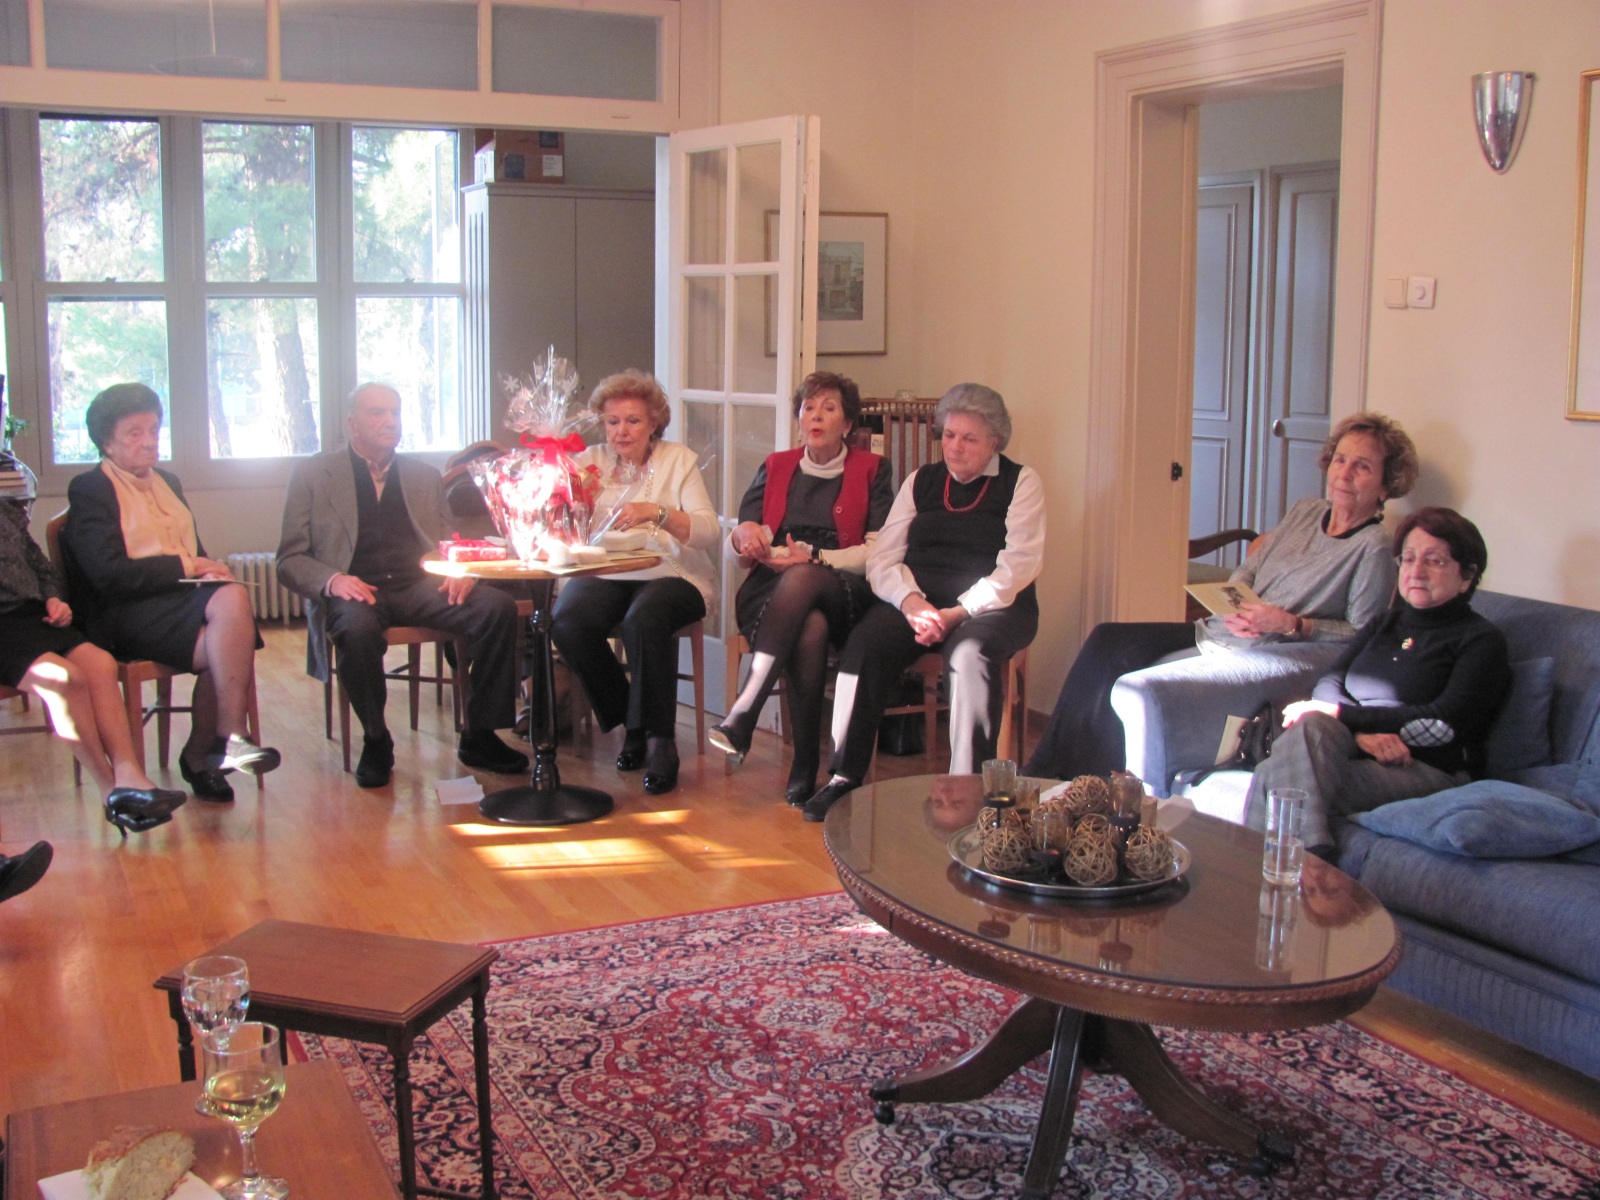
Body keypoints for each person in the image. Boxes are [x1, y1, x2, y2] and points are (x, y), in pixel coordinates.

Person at [1024, 412, 1420, 781]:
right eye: (1340, 460)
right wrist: (1236, 601)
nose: (1344, 474)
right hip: (1221, 629)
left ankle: (1079, 781)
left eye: (1362, 466)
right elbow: (1251, 566)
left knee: (1125, 677)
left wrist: (1293, 624)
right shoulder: (1306, 511)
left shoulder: (1374, 546)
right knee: (1107, 639)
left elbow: (1362, 633)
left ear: (1386, 485)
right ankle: (1044, 771)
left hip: (1263, 649)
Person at [801, 383, 1044, 824]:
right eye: (949, 435)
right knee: (866, 644)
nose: (955, 447)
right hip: (920, 602)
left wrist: (957, 613)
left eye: (969, 439)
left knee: (969, 655)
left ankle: (968, 791)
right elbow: (883, 559)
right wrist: (911, 602)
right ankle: (843, 776)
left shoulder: (1021, 482)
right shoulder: (921, 481)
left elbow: (1018, 567)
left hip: (995, 606)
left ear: (995, 440)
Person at [276, 382, 526, 789]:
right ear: (352, 424)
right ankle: (376, 739)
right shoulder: (313, 474)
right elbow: (289, 559)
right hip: (355, 587)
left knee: (496, 607)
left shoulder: (423, 476)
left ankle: (480, 734)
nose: (390, 421)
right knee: (355, 630)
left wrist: (458, 570)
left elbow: (447, 543)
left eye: (395, 412)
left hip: (417, 584)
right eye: (377, 413)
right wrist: (333, 580)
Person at [1245, 507, 1511, 860]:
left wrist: (1346, 717)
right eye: (1409, 558)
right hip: (1359, 749)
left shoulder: (1480, 640)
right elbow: (1330, 683)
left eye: (1434, 561)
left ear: (1467, 575)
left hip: (1428, 768)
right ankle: (1302, 868)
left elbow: (1444, 723)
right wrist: (1360, 735)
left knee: (1274, 775)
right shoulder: (1385, 624)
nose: (1416, 571)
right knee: (1310, 728)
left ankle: (1289, 872)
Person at [63, 383, 279, 805]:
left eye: (153, 429)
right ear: (107, 441)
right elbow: (107, 575)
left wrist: (208, 566)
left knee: (231, 598)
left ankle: (224, 741)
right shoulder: (89, 488)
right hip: (123, 613)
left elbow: (192, 551)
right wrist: (189, 567)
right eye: (135, 433)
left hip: (178, 603)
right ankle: (212, 750)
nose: (149, 441)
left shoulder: (169, 481)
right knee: (229, 633)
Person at [708, 372, 894, 805]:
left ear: (848, 423)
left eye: (829, 408)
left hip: (845, 589)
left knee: (804, 576)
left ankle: (744, 714)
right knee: (809, 627)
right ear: (798, 419)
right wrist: (743, 540)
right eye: (808, 408)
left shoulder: (873, 469)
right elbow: (740, 547)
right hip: (772, 593)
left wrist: (815, 558)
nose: (816, 416)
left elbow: (877, 552)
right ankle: (804, 762)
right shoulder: (775, 466)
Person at [550, 370, 719, 797]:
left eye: (633, 421)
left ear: (653, 423)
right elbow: (562, 521)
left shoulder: (678, 460)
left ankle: (661, 743)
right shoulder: (589, 462)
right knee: (567, 621)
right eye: (612, 422)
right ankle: (632, 721)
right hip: (606, 570)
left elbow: (707, 530)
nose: (621, 431)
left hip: (672, 571)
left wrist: (656, 513)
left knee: (644, 619)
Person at [3, 492, 186, 833]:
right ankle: (110, 791)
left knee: (101, 664)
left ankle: (129, 774)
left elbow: (42, 568)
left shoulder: (5, 510)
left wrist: (54, 599)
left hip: (32, 617)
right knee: (64, 679)